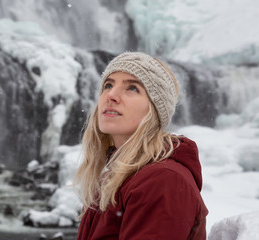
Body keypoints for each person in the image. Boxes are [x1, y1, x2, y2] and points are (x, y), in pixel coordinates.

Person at [74, 52, 208, 240]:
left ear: (154, 109)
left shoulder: (162, 180)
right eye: (108, 85)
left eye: (132, 88)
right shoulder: (121, 175)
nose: (111, 95)